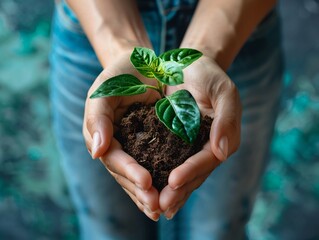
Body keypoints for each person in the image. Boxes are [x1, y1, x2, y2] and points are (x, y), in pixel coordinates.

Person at [50, 0, 283, 239]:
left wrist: (208, 49)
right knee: (108, 225)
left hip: (240, 28)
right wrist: (119, 47)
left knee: (218, 227)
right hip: (93, 25)